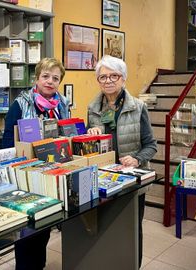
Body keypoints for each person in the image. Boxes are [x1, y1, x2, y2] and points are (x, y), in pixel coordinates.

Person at [87, 55, 157, 267]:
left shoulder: (138, 107)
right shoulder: (93, 108)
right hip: (102, 180)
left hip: (131, 181)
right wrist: (91, 135)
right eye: (103, 77)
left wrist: (136, 159)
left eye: (113, 76)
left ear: (123, 79)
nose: (108, 81)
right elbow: (88, 148)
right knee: (105, 227)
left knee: (131, 228)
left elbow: (151, 146)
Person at [2, 57, 69, 270]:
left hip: (53, 170)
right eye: (46, 76)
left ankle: (38, 265)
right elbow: (7, 140)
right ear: (37, 78)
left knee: (45, 223)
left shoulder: (63, 103)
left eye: (55, 78)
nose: (50, 81)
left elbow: (67, 132)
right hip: (26, 174)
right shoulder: (21, 103)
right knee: (29, 229)